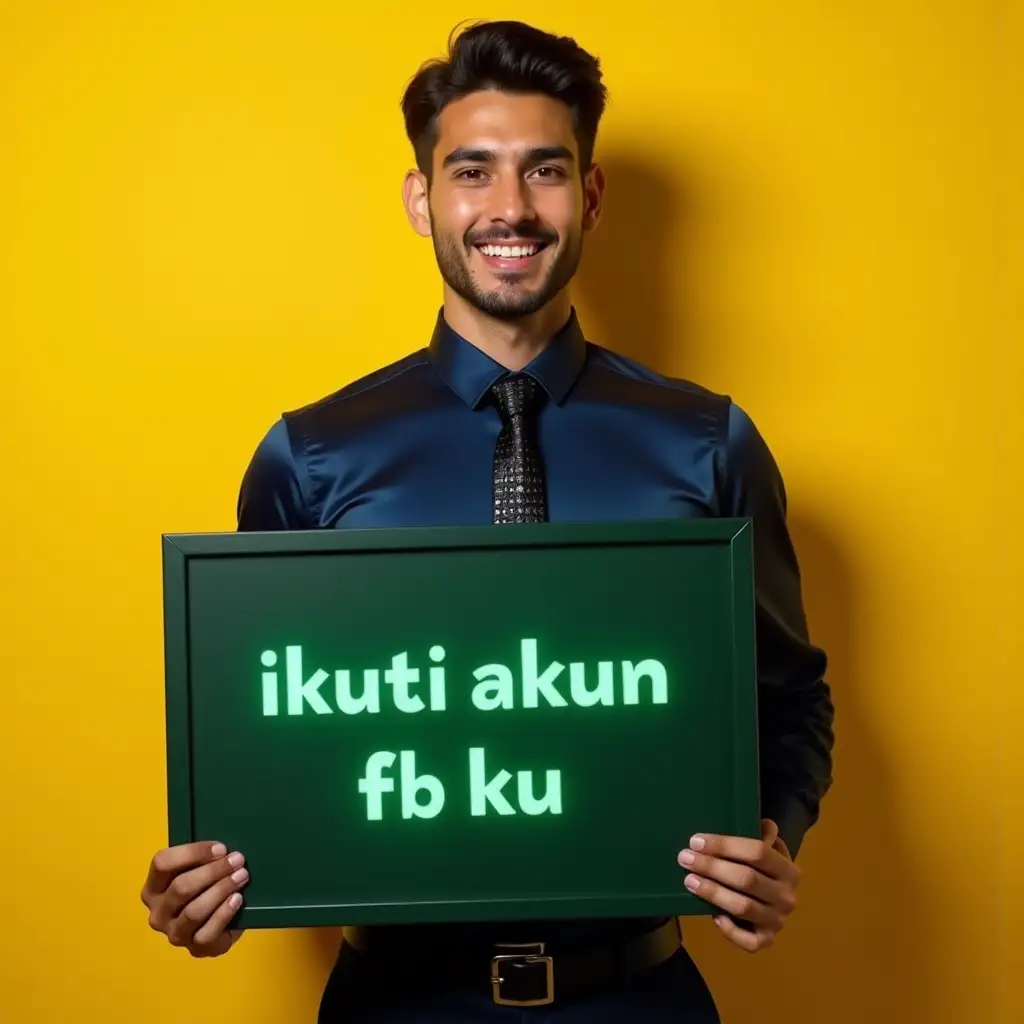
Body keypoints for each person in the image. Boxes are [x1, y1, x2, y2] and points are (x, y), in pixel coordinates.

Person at [140, 19, 834, 1022]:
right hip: (394, 1001)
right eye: (473, 172)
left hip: (637, 996)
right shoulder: (311, 456)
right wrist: (207, 884)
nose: (510, 208)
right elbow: (271, 735)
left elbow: (792, 698)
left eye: (544, 171)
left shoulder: (706, 442)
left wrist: (775, 836)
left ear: (588, 196)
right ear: (423, 201)